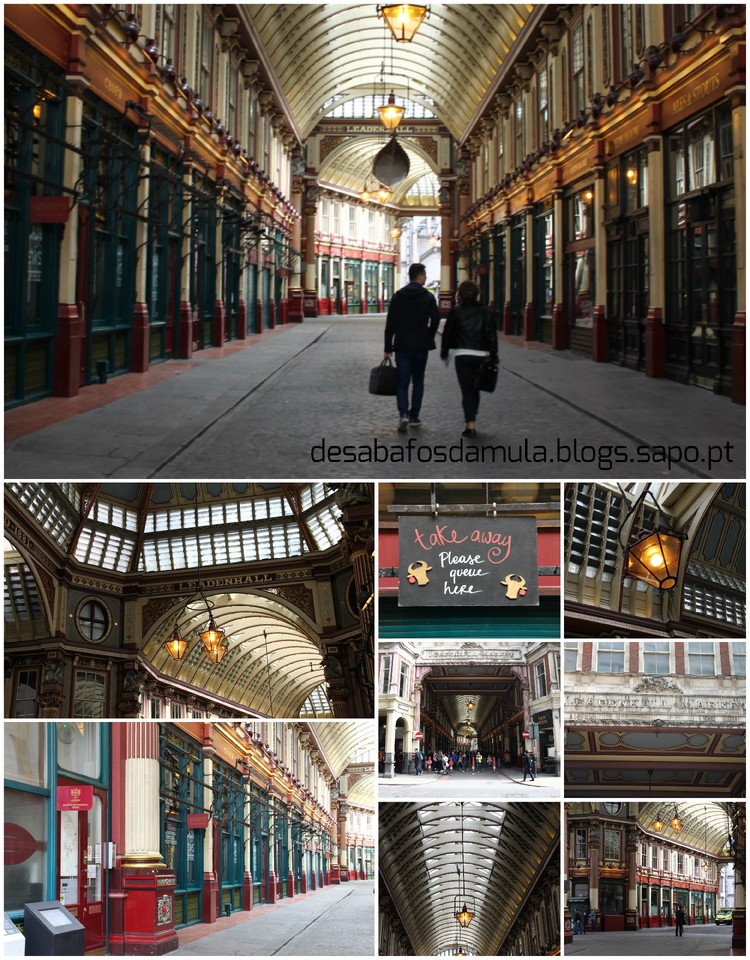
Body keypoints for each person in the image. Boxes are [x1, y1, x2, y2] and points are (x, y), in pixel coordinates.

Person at [384, 263, 440, 432]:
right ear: (420, 277)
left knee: (402, 382)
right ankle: (414, 415)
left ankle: (403, 415)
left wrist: (388, 348)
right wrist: (428, 335)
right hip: (421, 346)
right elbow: (436, 320)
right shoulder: (428, 297)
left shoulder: (398, 296)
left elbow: (390, 324)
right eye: (425, 275)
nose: (426, 278)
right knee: (418, 381)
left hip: (402, 346)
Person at [440, 279, 498, 437]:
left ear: (460, 295)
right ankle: (473, 414)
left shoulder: (456, 311)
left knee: (466, 390)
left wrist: (445, 352)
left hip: (462, 355)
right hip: (481, 355)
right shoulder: (486, 312)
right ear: (477, 294)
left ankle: (470, 424)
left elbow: (448, 333)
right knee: (476, 387)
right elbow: (491, 335)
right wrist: (494, 354)